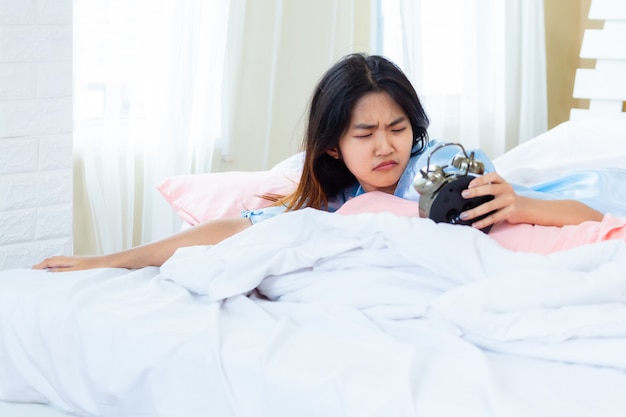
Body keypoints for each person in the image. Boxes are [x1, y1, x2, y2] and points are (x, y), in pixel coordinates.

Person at [33, 53, 603, 272]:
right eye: (366, 133)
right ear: (333, 144)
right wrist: (105, 261)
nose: (386, 147)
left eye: (398, 128)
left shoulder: (446, 170)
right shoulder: (334, 200)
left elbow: (590, 218)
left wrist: (521, 202)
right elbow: (232, 229)